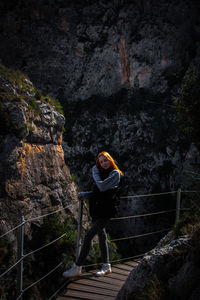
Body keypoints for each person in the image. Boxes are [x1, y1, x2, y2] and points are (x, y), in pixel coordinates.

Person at [62, 151, 123, 278]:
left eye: (105, 160)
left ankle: (77, 267)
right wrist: (85, 194)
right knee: (102, 236)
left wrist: (94, 170)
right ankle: (106, 266)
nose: (103, 163)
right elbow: (98, 193)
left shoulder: (115, 174)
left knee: (89, 235)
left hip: (106, 211)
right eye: (100, 162)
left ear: (110, 160)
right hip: (96, 210)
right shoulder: (101, 173)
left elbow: (101, 187)